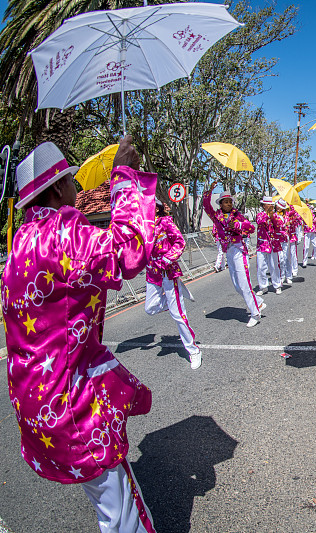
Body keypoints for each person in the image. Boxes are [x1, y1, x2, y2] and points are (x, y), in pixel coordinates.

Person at [3, 137, 157, 531]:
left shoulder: (22, 239)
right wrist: (125, 177)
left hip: (37, 402)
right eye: (71, 180)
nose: (78, 188)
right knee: (120, 515)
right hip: (72, 404)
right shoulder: (61, 233)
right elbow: (129, 252)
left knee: (115, 502)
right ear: (57, 188)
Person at [145, 199, 202, 369]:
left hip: (168, 272)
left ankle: (194, 350)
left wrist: (167, 258)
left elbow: (180, 242)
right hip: (152, 273)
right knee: (150, 308)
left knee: (178, 315)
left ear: (156, 208)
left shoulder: (165, 222)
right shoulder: (141, 227)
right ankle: (173, 303)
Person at [202, 185, 265, 327]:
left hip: (239, 251)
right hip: (228, 251)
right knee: (237, 286)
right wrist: (209, 191)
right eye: (225, 202)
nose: (229, 204)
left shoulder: (238, 216)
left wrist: (237, 225)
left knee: (244, 283)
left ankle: (255, 313)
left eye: (230, 201)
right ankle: (259, 302)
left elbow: (251, 228)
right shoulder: (216, 217)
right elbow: (206, 206)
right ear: (220, 204)